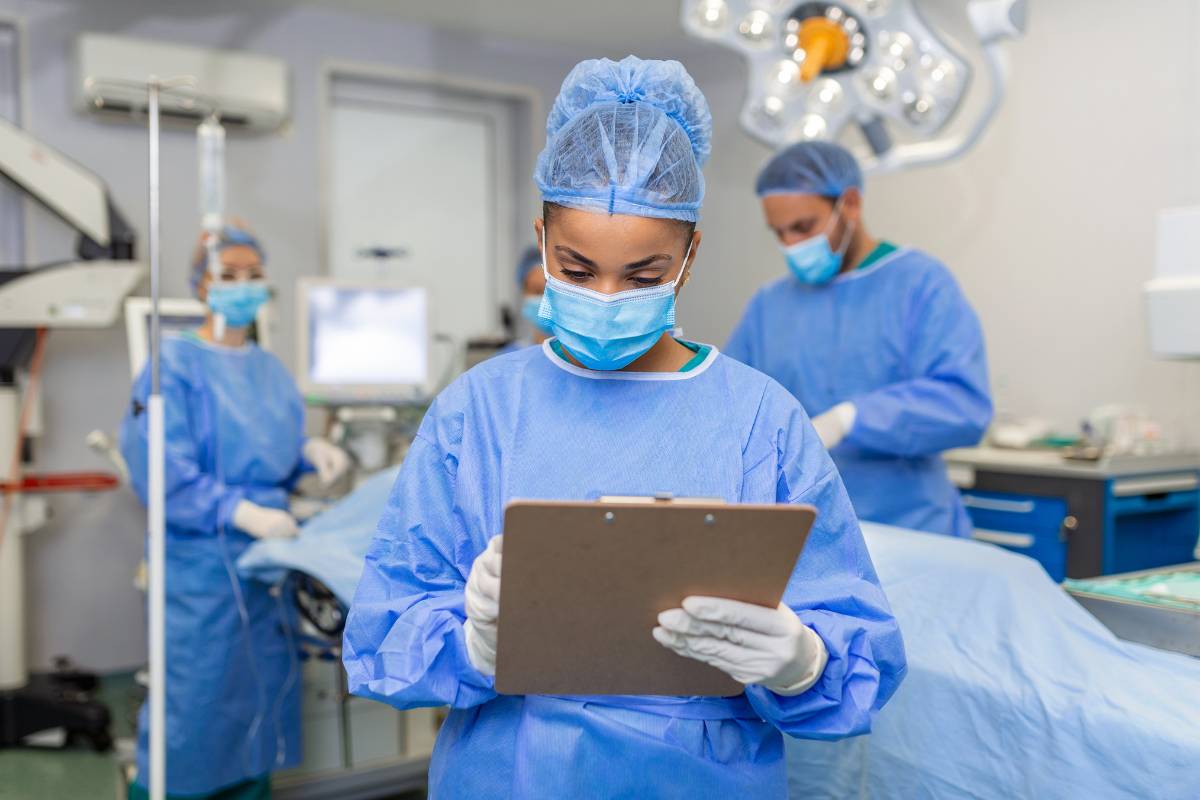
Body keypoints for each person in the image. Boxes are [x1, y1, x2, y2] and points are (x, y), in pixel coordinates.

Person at [342, 56, 905, 798]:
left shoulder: (760, 420)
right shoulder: (477, 411)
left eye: (642, 277)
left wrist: (803, 660)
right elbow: (385, 631)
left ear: (689, 256)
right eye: (576, 270)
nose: (607, 298)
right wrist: (475, 643)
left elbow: (855, 643)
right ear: (543, 241)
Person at [120, 224, 352, 799]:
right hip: (200, 574)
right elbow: (159, 470)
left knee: (259, 698)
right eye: (229, 276)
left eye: (253, 275)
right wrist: (240, 512)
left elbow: (270, 456)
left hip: (266, 569)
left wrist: (308, 455)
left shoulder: (269, 370)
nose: (242, 286)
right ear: (201, 286)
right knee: (196, 707)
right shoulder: (172, 366)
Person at [725, 141, 992, 538]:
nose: (792, 245)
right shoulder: (770, 305)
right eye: (780, 233)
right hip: (807, 538)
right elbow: (735, 408)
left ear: (849, 204)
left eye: (803, 228)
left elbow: (964, 405)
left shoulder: (919, 284)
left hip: (911, 531)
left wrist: (851, 419)